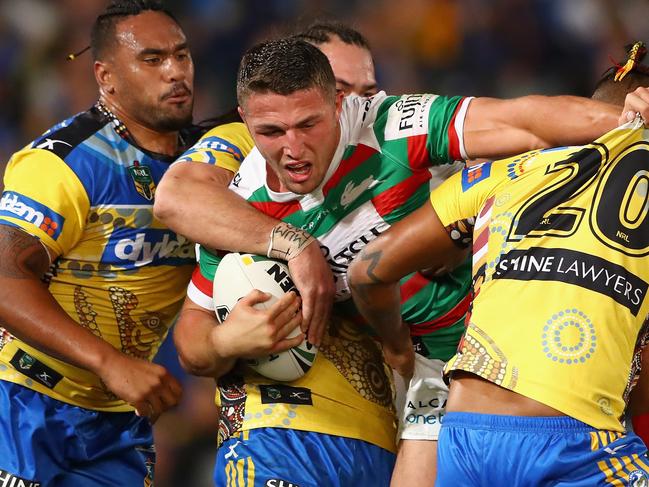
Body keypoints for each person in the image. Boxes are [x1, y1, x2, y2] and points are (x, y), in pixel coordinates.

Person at [174, 35, 648, 486]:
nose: (293, 149)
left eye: (309, 125)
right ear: (243, 120)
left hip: (476, 348)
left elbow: (523, 120)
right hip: (409, 370)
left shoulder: (392, 125)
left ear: (340, 105)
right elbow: (193, 337)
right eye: (271, 132)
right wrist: (223, 341)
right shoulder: (241, 209)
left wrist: (626, 122)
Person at [347, 42, 649, 485]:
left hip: (465, 437)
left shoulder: (497, 171)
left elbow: (367, 270)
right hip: (571, 439)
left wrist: (396, 344)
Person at [0, 1, 198, 485]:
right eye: (152, 60)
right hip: (21, 405)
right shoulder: (65, 162)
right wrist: (109, 363)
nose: (175, 72)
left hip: (118, 422)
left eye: (182, 55)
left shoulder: (208, 163)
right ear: (106, 77)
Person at [154, 20, 381, 351]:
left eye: (368, 94)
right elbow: (175, 198)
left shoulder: (385, 141)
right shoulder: (247, 140)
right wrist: (294, 244)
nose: (356, 108)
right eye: (342, 91)